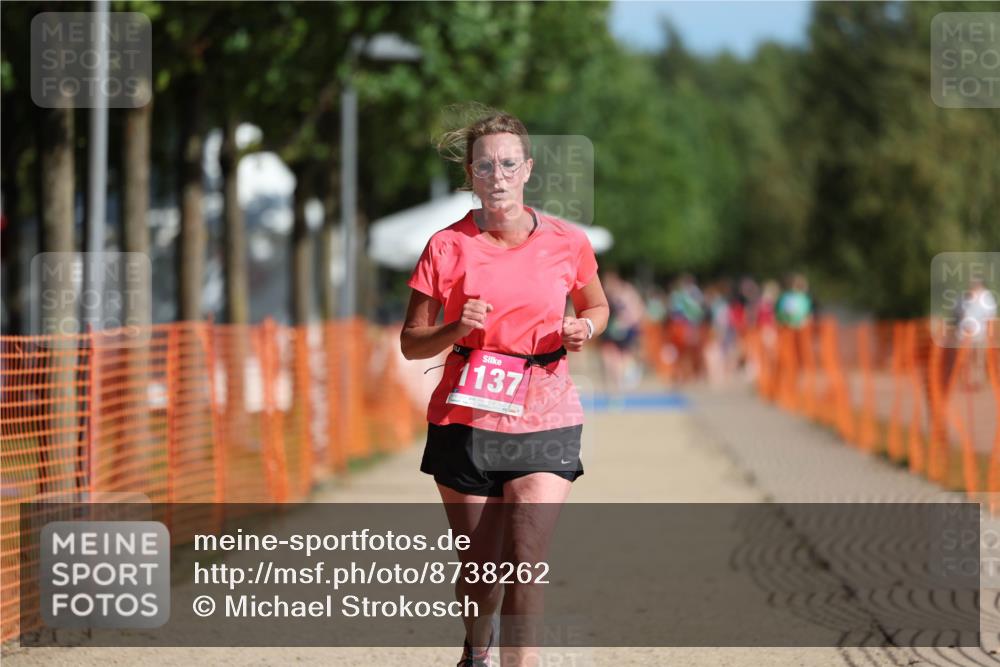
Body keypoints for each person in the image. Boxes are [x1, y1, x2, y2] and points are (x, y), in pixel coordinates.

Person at [400, 107, 609, 667]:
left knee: (525, 558)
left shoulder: (567, 241)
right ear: (471, 174)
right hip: (467, 414)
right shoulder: (446, 247)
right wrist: (454, 327)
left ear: (527, 169)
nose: (497, 174)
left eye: (508, 163)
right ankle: (478, 648)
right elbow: (411, 342)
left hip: (546, 408)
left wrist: (583, 326)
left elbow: (597, 303)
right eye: (485, 165)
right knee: (479, 571)